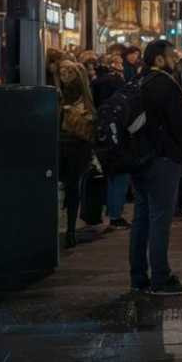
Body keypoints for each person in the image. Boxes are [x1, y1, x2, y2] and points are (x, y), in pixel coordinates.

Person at [129, 39, 182, 295]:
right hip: (163, 159)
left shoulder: (137, 81)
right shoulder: (165, 83)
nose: (175, 61)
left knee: (141, 218)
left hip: (139, 159)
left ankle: (137, 277)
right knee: (160, 220)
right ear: (159, 59)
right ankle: (160, 278)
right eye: (171, 56)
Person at [54, 60, 95, 249]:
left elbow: (90, 118)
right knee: (71, 189)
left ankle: (69, 229)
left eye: (68, 72)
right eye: (62, 72)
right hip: (71, 146)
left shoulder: (67, 94)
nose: (65, 75)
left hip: (72, 145)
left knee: (71, 188)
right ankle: (69, 230)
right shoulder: (63, 93)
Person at [91, 55, 130, 230]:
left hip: (102, 138)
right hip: (117, 140)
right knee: (120, 176)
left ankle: (107, 212)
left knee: (110, 177)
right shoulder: (118, 97)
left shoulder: (96, 85)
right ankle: (115, 214)